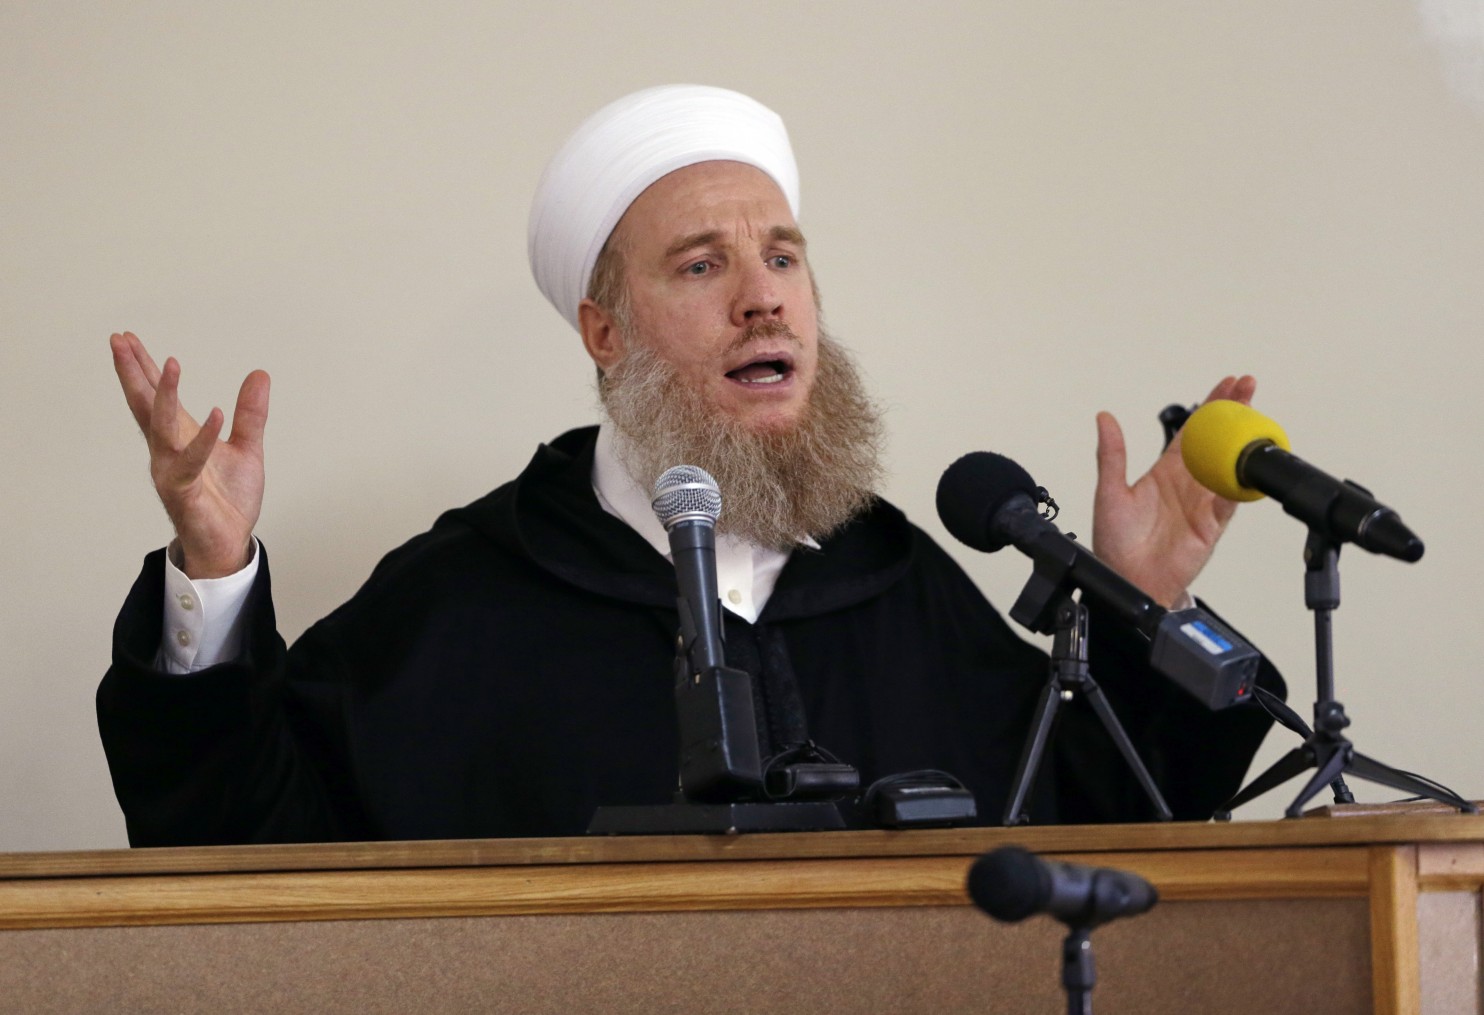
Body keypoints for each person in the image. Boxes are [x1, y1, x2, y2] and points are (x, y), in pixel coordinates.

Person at [99, 86, 1281, 846]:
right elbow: (247, 847)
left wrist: (1142, 606)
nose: (764, 296)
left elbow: (1101, 833)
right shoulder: (465, 591)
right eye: (703, 265)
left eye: (783, 257)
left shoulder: (895, 581)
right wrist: (215, 575)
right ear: (604, 331)